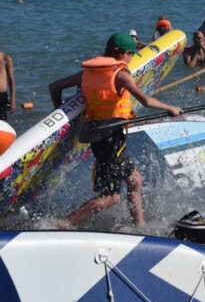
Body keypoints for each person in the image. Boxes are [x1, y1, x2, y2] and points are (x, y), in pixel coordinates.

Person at [48, 32, 182, 227]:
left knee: (135, 180)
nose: (130, 59)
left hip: (100, 136)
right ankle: (62, 224)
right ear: (122, 54)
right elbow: (145, 101)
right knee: (111, 197)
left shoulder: (88, 72)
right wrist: (170, 108)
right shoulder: (121, 75)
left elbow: (55, 87)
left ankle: (139, 226)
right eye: (130, 54)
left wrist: (60, 113)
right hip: (110, 139)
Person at [0, 48, 15, 121]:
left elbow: (11, 81)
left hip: (2, 96)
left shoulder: (5, 59)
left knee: (2, 120)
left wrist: (13, 101)